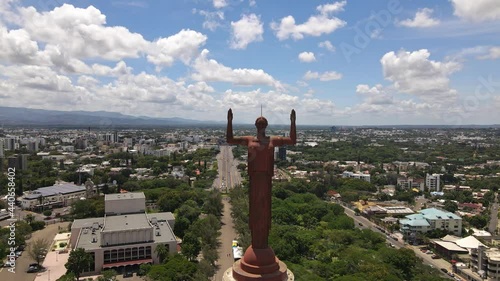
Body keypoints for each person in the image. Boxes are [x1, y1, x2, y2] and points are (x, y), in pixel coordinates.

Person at [226, 108, 296, 249]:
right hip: (254, 179)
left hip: (266, 179)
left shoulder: (273, 140)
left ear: (266, 126)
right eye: (259, 124)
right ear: (255, 125)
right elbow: (230, 139)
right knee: (255, 209)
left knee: (264, 210)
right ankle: (256, 241)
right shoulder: (249, 140)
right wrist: (229, 121)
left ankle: (263, 241)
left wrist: (293, 122)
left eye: (263, 124)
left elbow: (292, 141)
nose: (261, 126)